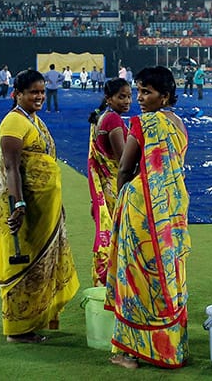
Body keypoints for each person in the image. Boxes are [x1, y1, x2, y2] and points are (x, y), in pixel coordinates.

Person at [107, 66, 189, 369]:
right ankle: (167, 346)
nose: (140, 98)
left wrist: (122, 204)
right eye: (138, 90)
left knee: (136, 274)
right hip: (171, 207)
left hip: (141, 207)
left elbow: (125, 169)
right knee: (166, 270)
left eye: (147, 92)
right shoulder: (179, 125)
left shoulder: (144, 124)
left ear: (164, 96)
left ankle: (129, 352)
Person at [0, 69, 80, 344]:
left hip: (43, 207)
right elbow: (12, 168)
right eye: (33, 92)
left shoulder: (33, 120)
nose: (39, 96)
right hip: (23, 205)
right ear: (17, 94)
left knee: (40, 264)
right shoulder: (13, 123)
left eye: (42, 91)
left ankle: (32, 322)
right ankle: (18, 331)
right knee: (24, 266)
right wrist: (18, 205)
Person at [86, 77, 132, 286]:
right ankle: (113, 286)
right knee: (119, 239)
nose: (127, 101)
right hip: (116, 188)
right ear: (109, 98)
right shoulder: (113, 120)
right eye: (121, 97)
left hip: (105, 190)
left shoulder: (101, 118)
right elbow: (124, 161)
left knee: (111, 237)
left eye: (129, 96)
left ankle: (109, 285)